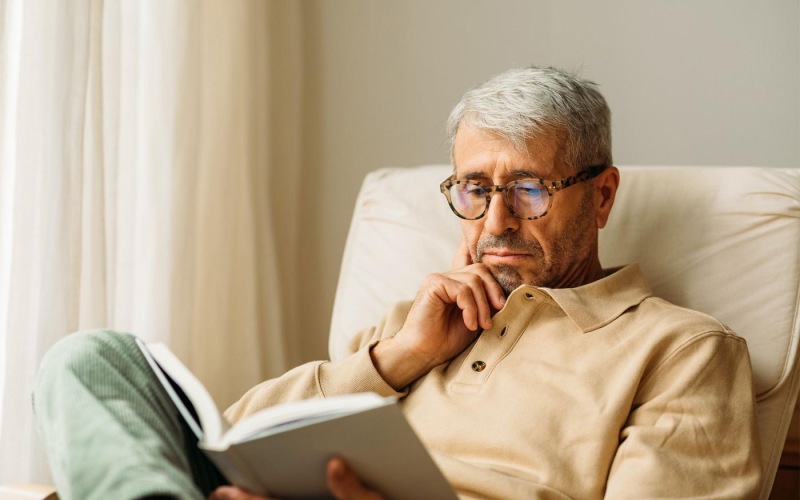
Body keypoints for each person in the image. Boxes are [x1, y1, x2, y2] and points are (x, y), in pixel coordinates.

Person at [33, 66, 762, 500]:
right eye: (474, 188)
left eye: (530, 189)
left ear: (601, 196)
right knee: (92, 360)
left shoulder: (684, 350)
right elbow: (231, 435)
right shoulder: (422, 318)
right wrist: (396, 360)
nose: (496, 220)